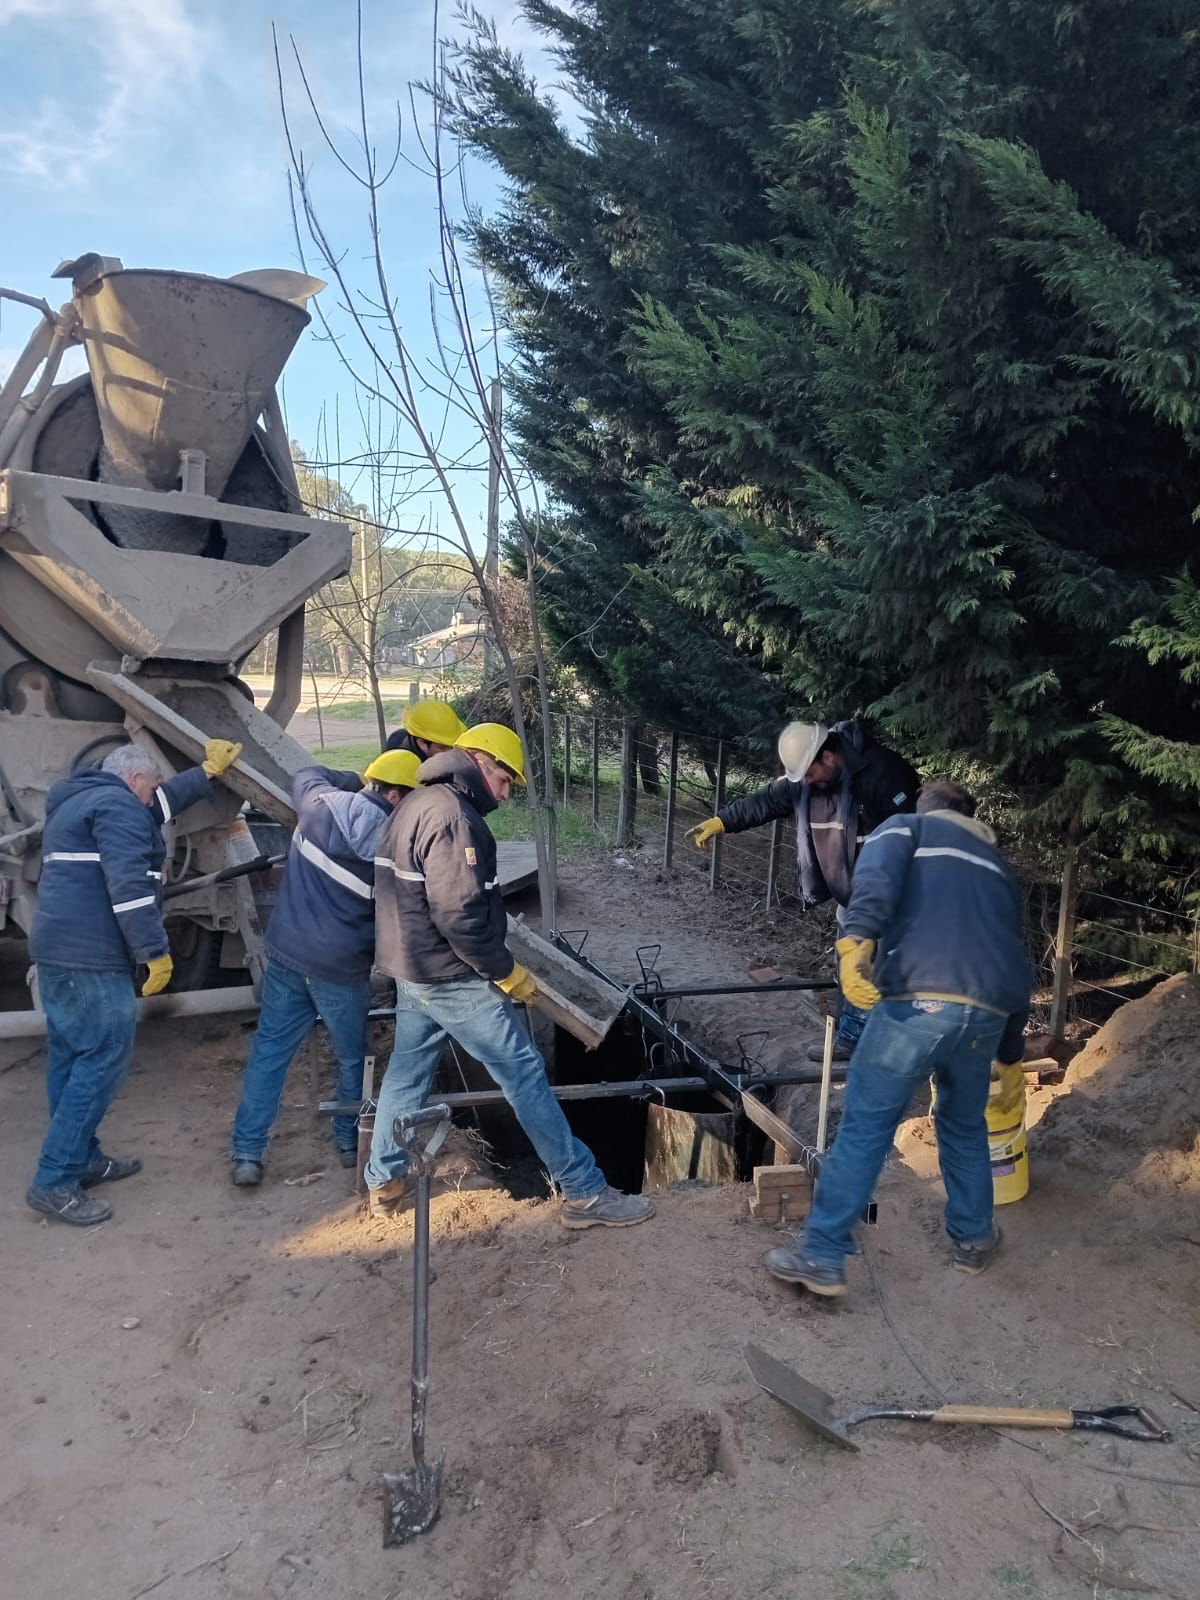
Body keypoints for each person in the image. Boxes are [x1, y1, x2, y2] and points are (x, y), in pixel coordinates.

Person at [366, 722, 654, 1229]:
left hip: (413, 970)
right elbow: (459, 917)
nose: (506, 792)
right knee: (524, 1075)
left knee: (407, 1074)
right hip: (451, 976)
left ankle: (384, 1178)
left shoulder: (417, 801)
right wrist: (505, 972)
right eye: (505, 779)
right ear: (481, 761)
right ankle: (585, 1191)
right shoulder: (455, 817)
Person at [762, 780, 1032, 1298]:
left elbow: (877, 881)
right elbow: (1012, 957)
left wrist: (855, 942)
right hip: (985, 1014)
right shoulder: (999, 867)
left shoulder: (907, 828)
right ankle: (974, 1240)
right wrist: (1011, 1052)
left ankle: (821, 1255)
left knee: (866, 1123)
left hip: (918, 1000)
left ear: (928, 809)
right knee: (962, 1122)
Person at [25, 737, 243, 1227]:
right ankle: (54, 1180)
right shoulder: (120, 809)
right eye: (153, 785)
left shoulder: (82, 800)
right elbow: (128, 889)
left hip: (57, 951)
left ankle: (80, 1159)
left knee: (70, 1057)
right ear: (134, 779)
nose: (156, 796)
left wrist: (204, 775)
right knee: (101, 1059)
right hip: (94, 956)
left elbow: (154, 808)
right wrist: (154, 952)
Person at [229, 749, 420, 1186]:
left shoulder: (317, 805)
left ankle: (247, 1153)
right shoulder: (392, 850)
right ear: (394, 796)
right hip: (340, 971)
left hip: (286, 956)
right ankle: (349, 1143)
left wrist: (350, 777)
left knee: (270, 1054)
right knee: (353, 1058)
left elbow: (308, 773)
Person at [687, 719, 918, 1060]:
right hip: (852, 897)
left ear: (829, 756)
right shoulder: (808, 781)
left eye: (809, 773)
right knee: (851, 970)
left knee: (883, 973)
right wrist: (723, 821)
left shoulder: (884, 773)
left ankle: (888, 1050)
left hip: (893, 895)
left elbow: (912, 835)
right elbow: (766, 801)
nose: (805, 782)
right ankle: (852, 1041)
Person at [385, 700, 466, 759]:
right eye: (442, 748)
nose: (451, 752)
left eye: (453, 746)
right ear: (422, 744)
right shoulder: (405, 769)